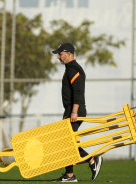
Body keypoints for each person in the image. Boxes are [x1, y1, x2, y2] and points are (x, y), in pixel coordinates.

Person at [51, 43, 103, 182]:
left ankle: (92, 160)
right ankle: (69, 175)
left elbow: (78, 92)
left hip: (75, 110)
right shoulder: (69, 68)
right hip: (69, 110)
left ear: (68, 53)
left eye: (60, 54)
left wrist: (74, 112)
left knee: (66, 141)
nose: (58, 57)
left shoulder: (74, 69)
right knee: (67, 141)